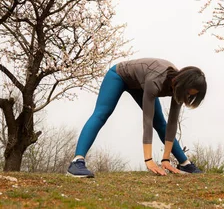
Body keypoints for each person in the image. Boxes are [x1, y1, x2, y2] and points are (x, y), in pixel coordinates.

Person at [67, 58, 207, 177]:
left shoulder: (181, 89)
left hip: (140, 83)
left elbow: (171, 124)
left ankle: (185, 164)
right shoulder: (157, 80)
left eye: (192, 95)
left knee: (161, 124)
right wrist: (149, 159)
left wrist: (165, 159)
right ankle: (77, 162)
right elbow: (147, 119)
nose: (189, 96)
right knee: (102, 114)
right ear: (182, 84)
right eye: (189, 92)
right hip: (119, 75)